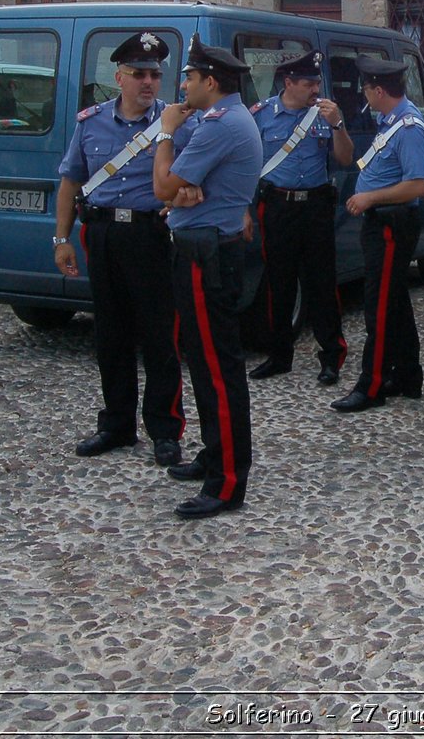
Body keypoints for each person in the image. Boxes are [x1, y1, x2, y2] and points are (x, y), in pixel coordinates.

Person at [54, 32, 186, 467]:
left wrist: (182, 201)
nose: (148, 82)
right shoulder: (90, 123)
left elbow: (193, 175)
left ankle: (165, 430)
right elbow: (71, 181)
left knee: (159, 336)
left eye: (154, 74)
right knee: (110, 334)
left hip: (150, 237)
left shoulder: (174, 124)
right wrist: (61, 239)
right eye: (139, 74)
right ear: (119, 78)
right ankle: (116, 424)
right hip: (104, 235)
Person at [154, 37, 261, 519]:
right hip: (203, 248)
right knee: (205, 363)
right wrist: (183, 188)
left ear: (211, 82)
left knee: (217, 369)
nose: (183, 86)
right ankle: (216, 455)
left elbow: (162, 185)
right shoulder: (222, 120)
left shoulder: (220, 125)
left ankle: (227, 482)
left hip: (207, 256)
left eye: (190, 78)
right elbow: (178, 190)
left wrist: (165, 133)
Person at [329, 56, 424, 414]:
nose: (365, 96)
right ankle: (407, 375)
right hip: (381, 223)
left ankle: (371, 385)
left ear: (378, 89)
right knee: (396, 302)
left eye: (367, 90)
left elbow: (417, 185)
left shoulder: (408, 128)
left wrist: (370, 196)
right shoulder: (391, 120)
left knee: (379, 307)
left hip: (392, 224)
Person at [248, 50, 354, 385]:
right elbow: (246, 165)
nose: (315, 89)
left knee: (322, 282)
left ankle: (331, 356)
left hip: (316, 206)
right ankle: (279, 355)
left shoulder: (325, 114)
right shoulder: (261, 116)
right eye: (308, 82)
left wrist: (337, 124)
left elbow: (345, 158)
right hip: (278, 205)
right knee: (278, 282)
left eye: (317, 82)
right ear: (288, 82)